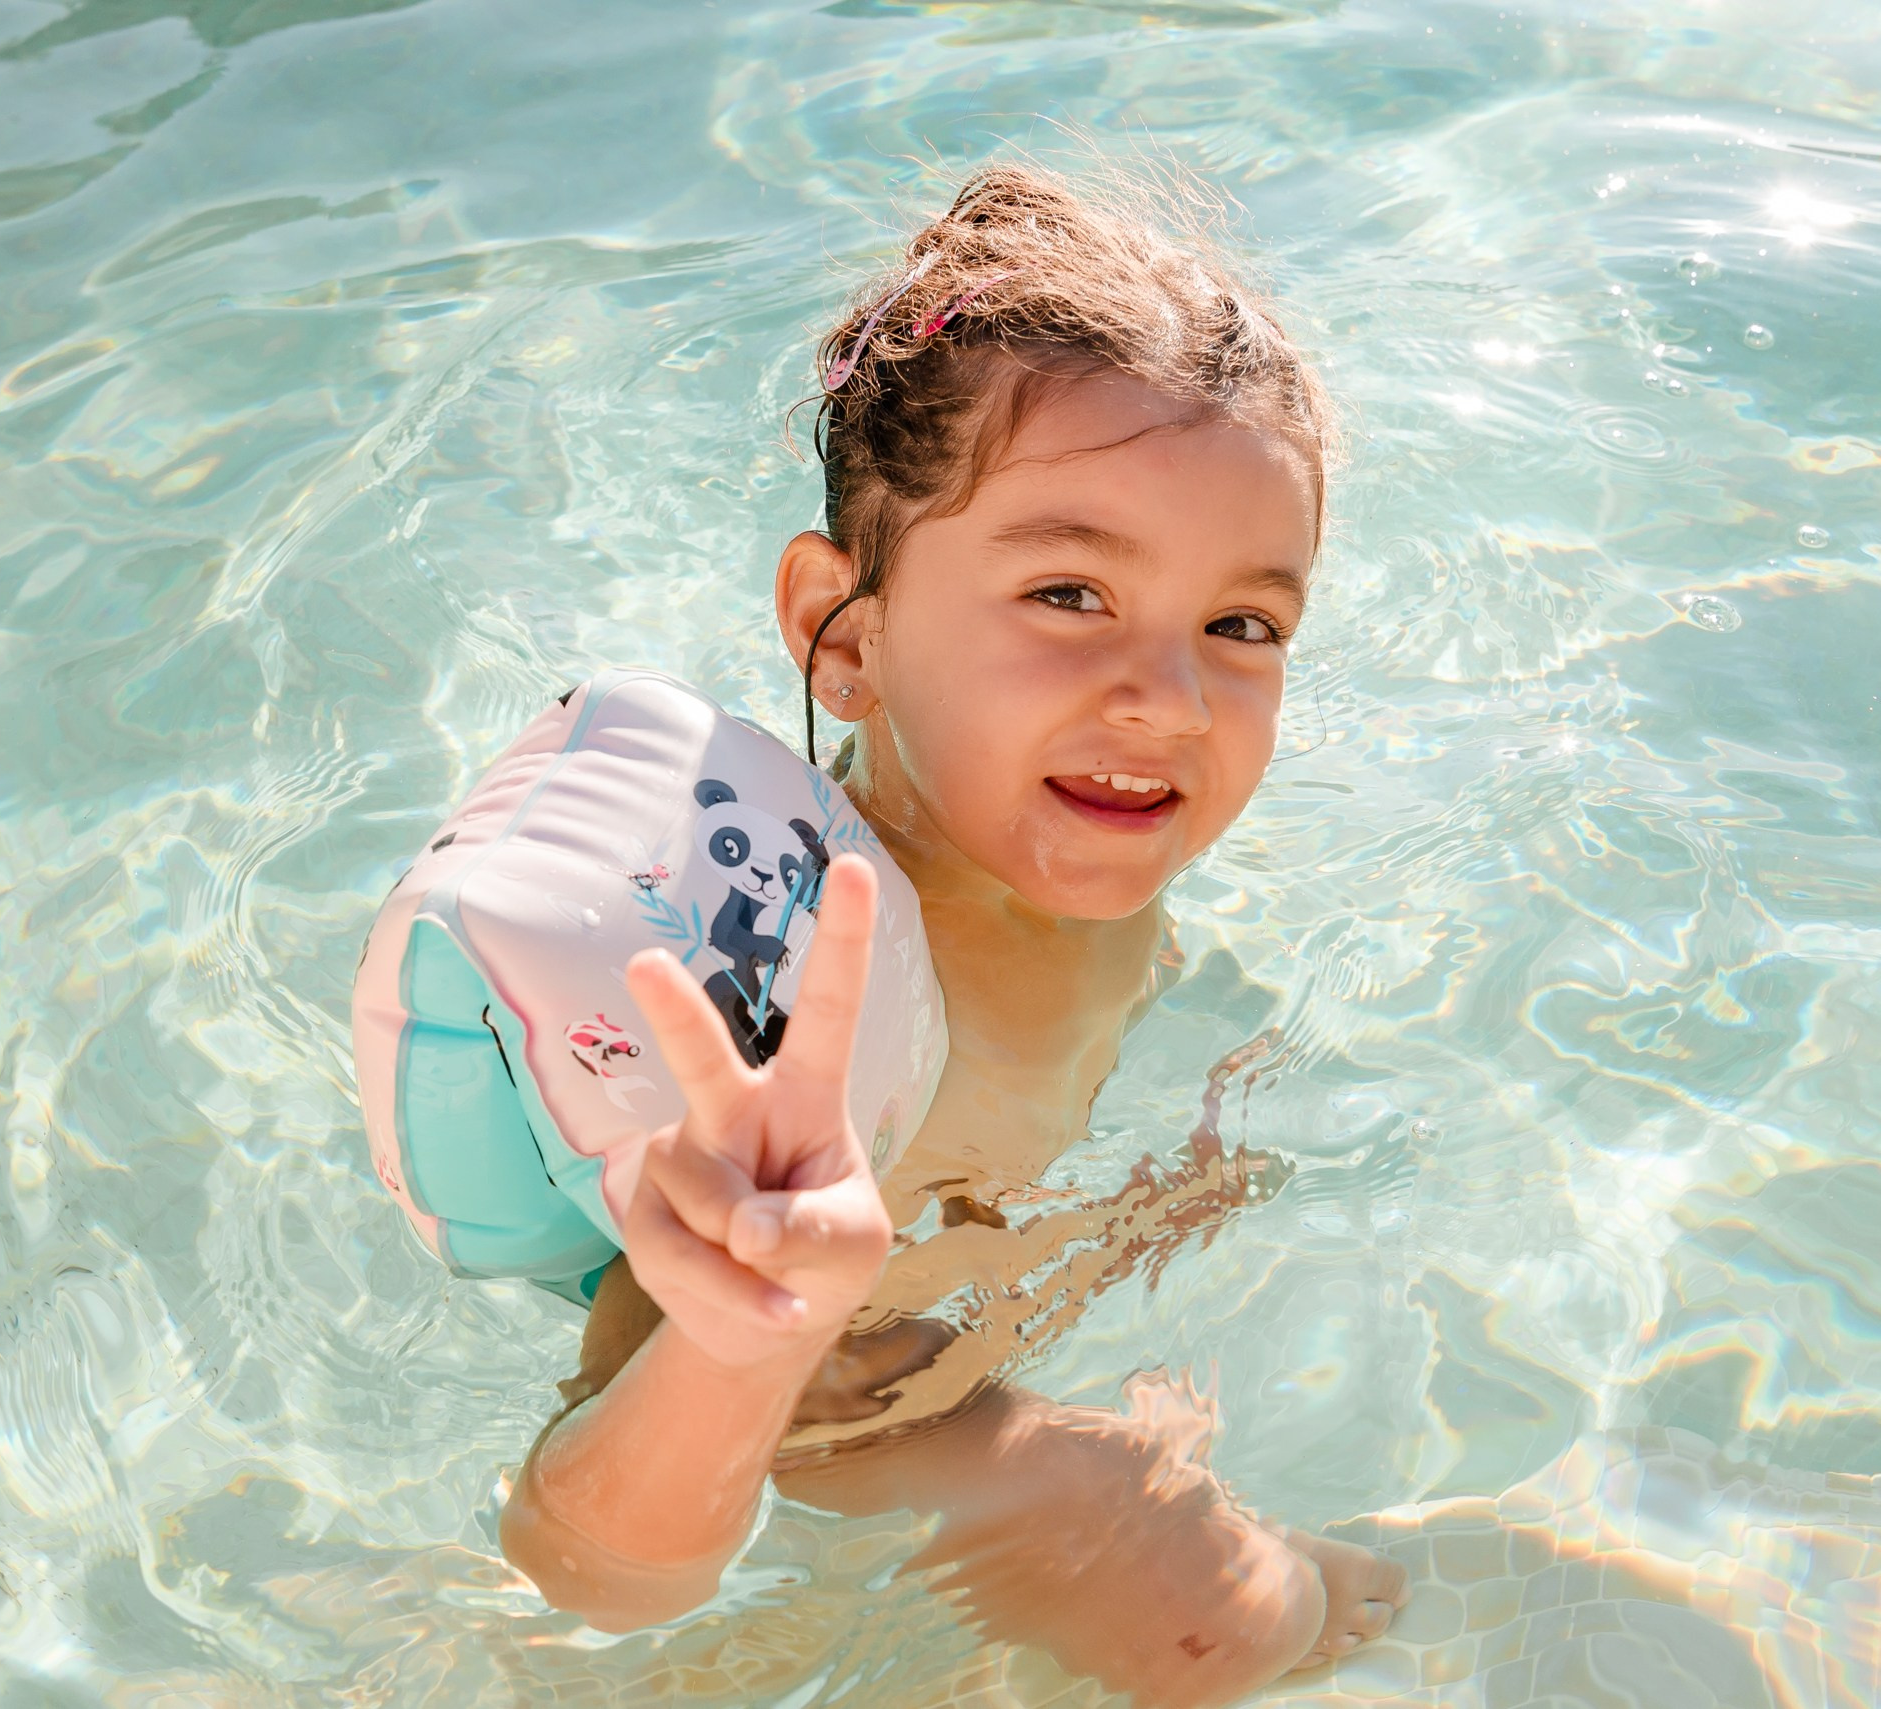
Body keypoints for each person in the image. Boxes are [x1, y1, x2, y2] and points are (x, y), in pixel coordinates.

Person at [497, 162, 1409, 1704]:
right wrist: (749, 1327)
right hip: (836, 1399)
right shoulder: (817, 1026)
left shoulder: (1049, 821)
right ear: (842, 638)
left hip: (960, 1263)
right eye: (1069, 591)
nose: (1170, 700)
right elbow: (584, 1569)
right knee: (1237, 1623)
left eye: (1241, 625)